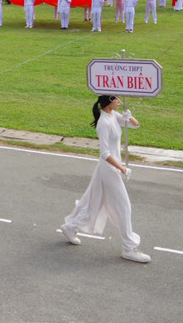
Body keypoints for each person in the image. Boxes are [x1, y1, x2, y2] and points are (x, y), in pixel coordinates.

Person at [59, 95, 150, 264]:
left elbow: (135, 126)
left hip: (108, 168)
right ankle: (129, 248)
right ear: (109, 103)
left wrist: (128, 116)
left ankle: (70, 226)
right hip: (109, 169)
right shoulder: (104, 123)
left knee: (94, 200)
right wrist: (121, 168)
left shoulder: (113, 115)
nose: (120, 102)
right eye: (116, 99)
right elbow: (105, 153)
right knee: (124, 207)